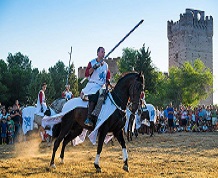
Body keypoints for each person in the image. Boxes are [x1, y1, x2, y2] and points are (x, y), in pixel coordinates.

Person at [81, 47, 110, 127]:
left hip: (102, 86)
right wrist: (94, 68)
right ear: (97, 53)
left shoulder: (106, 65)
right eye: (102, 52)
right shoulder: (92, 62)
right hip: (93, 85)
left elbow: (107, 76)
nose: (103, 53)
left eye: (104, 52)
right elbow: (86, 74)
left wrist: (108, 82)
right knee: (96, 95)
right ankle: (89, 118)